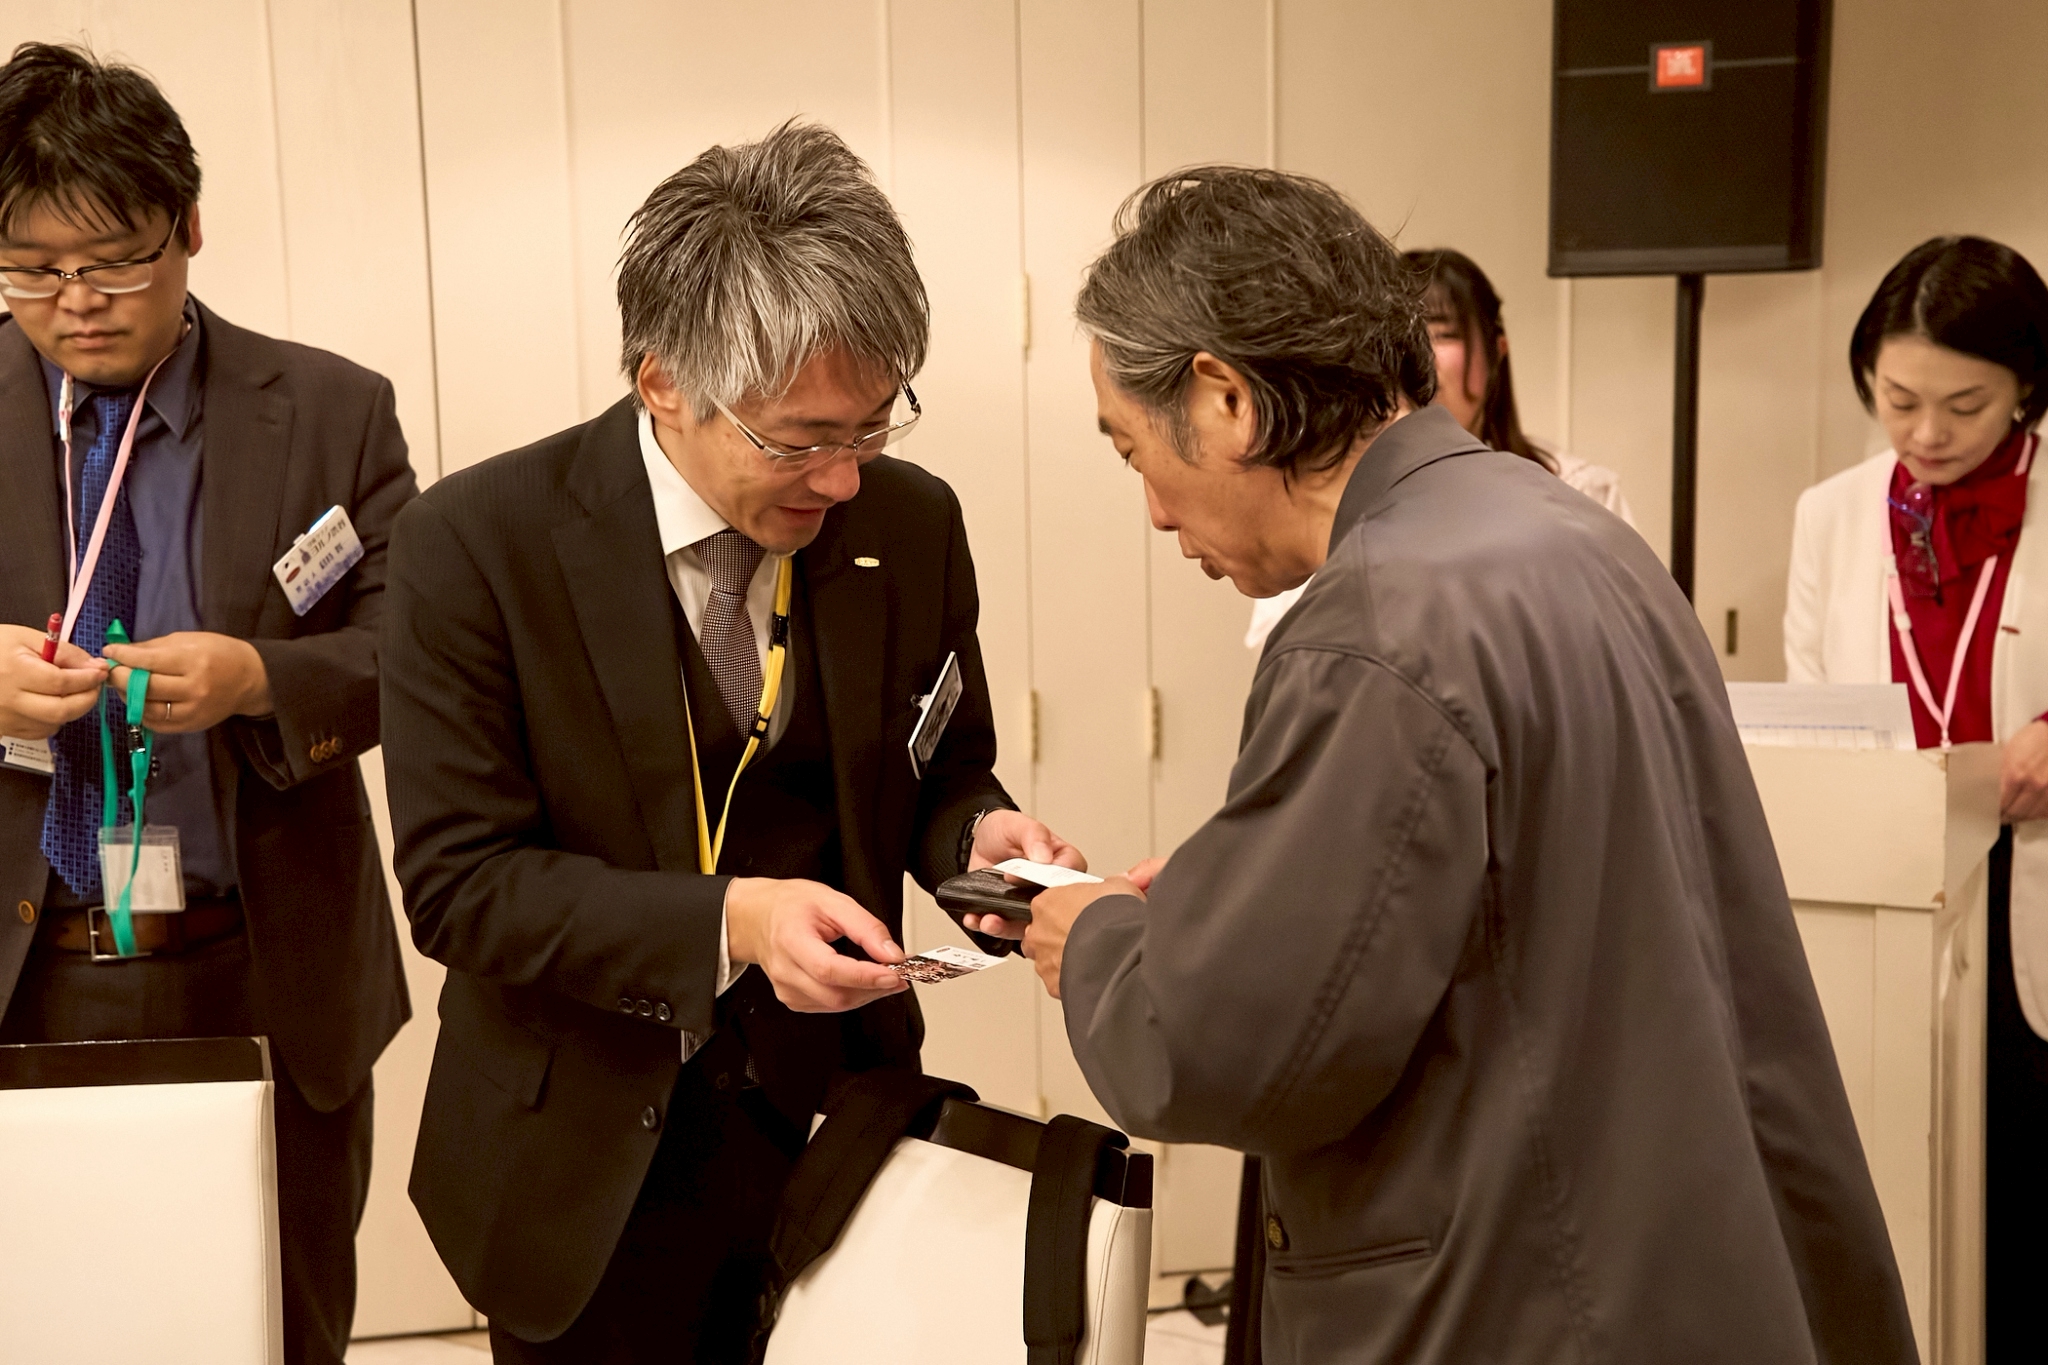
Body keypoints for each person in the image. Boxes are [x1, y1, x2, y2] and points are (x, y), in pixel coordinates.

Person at [973, 166, 1916, 1364]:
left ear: (1224, 401)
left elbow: (1225, 1047)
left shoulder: (1376, 619)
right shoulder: (1571, 535)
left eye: (1130, 451)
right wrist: (1229, 905)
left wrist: (1098, 939)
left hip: (1517, 1293)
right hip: (1672, 1251)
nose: (1156, 514)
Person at [381, 121, 1081, 1364]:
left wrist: (981, 839)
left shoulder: (910, 524)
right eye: (797, 440)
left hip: (839, 1129)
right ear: (663, 383)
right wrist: (734, 922)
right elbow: (459, 888)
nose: (842, 479)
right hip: (580, 1154)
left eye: (872, 426)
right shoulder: (476, 545)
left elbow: (939, 762)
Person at [0, 43, 416, 1365]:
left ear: (188, 225)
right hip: (31, 964)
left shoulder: (332, 411)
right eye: (31, 270)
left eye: (113, 262)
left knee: (285, 1319)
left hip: (265, 956)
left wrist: (261, 679)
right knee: (62, 1325)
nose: (75, 303)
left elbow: (417, 649)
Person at [1784, 234, 2048, 1355]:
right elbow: (1812, 702)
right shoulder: (1832, 513)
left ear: (2024, 386)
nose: (1927, 433)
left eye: (1964, 405)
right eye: (1898, 401)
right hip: (1889, 896)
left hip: (2029, 890)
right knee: (1901, 1194)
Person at [1245, 246, 1632, 649]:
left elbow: (1617, 644)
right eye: (1404, 338)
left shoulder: (1577, 491)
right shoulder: (1324, 500)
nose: (1422, 357)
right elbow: (1292, 645)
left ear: (1497, 350)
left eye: (1443, 335)